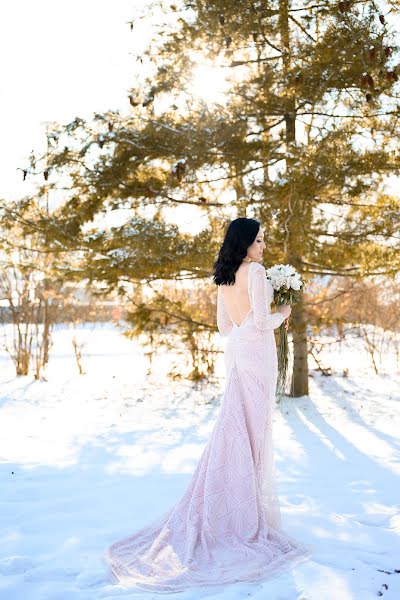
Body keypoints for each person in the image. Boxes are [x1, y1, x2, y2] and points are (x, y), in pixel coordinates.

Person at [102, 217, 311, 593]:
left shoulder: (225, 275)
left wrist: (251, 323)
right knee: (254, 430)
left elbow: (224, 327)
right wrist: (284, 314)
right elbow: (263, 322)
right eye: (259, 240)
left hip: (237, 351)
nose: (263, 246)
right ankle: (244, 514)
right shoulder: (257, 272)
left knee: (237, 426)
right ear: (245, 242)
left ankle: (233, 499)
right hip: (257, 353)